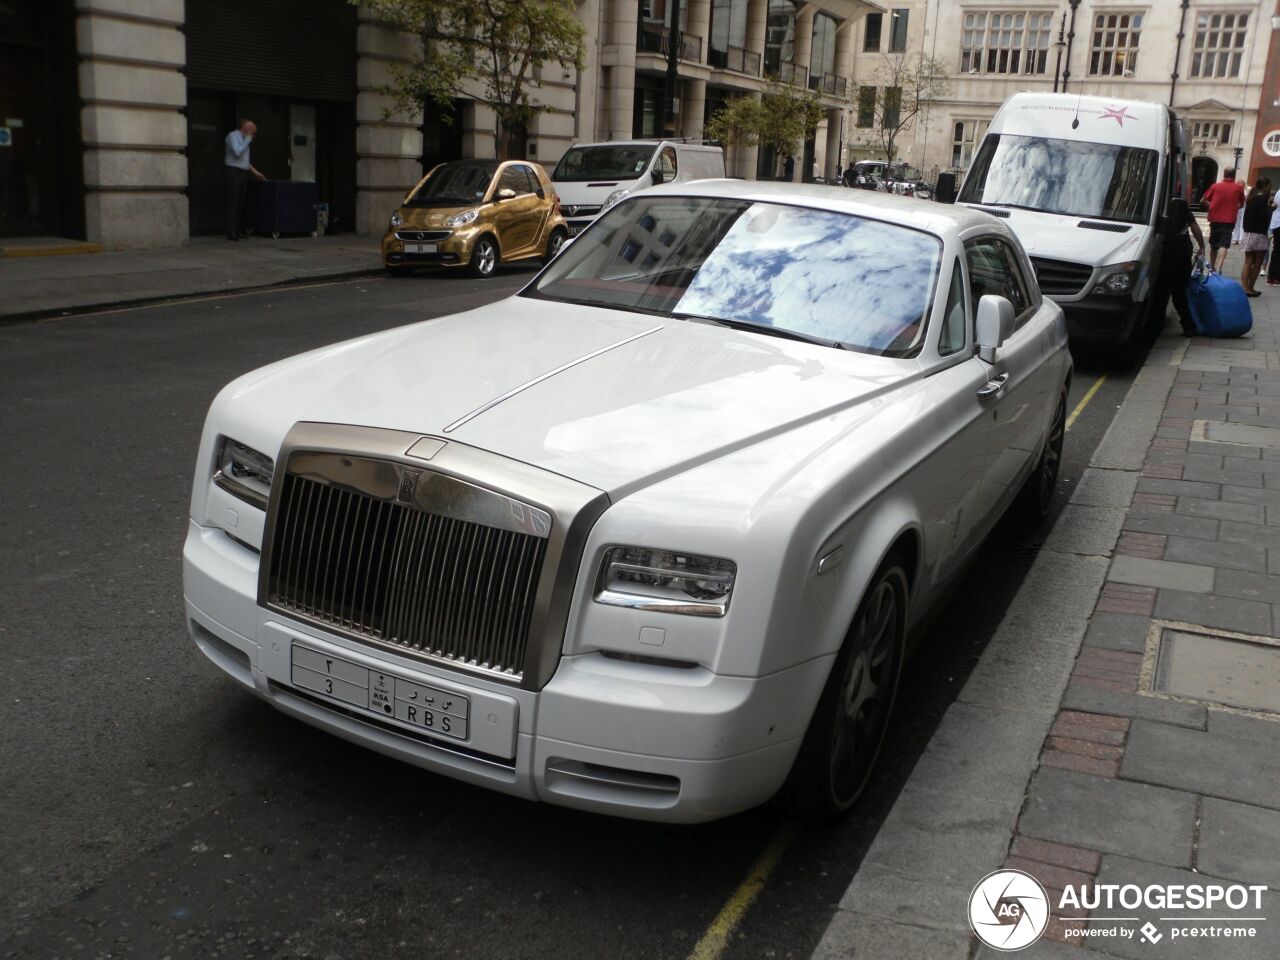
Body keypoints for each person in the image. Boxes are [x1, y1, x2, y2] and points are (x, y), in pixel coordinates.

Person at [1152, 194, 1206, 336]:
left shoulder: (1161, 211)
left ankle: (1156, 324)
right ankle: (1188, 325)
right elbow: (1196, 229)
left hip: (1166, 257)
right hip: (1183, 256)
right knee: (1180, 293)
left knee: (1161, 291)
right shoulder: (1185, 211)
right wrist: (1201, 246)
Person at [224, 119, 266, 241]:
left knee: (241, 202)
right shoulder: (233, 136)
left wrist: (256, 173)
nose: (253, 136)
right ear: (248, 130)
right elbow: (237, 152)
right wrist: (247, 139)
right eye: (253, 133)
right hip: (233, 171)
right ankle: (230, 230)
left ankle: (238, 229)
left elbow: (245, 161)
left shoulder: (245, 141)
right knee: (233, 201)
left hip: (243, 172)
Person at [1200, 168, 1245, 271]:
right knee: (1224, 244)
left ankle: (1212, 268)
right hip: (1229, 220)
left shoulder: (1215, 186)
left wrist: (1211, 206)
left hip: (1215, 219)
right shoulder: (1238, 188)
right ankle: (1219, 267)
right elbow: (1242, 204)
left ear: (1224, 174)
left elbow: (1202, 200)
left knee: (1213, 245)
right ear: (1234, 175)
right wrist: (1233, 208)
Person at [1239, 177, 1272, 296]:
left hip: (1248, 232)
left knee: (1248, 261)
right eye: (1269, 185)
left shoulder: (1251, 197)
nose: (1270, 187)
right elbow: (1264, 216)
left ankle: (1244, 287)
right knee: (1258, 261)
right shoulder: (1263, 198)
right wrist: (1271, 208)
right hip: (1259, 233)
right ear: (1265, 186)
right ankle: (1250, 287)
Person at [1266, 195, 1280, 285]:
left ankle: (1271, 276)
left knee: (1276, 250)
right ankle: (1276, 277)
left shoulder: (1278, 192)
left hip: (1276, 223)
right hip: (1278, 223)